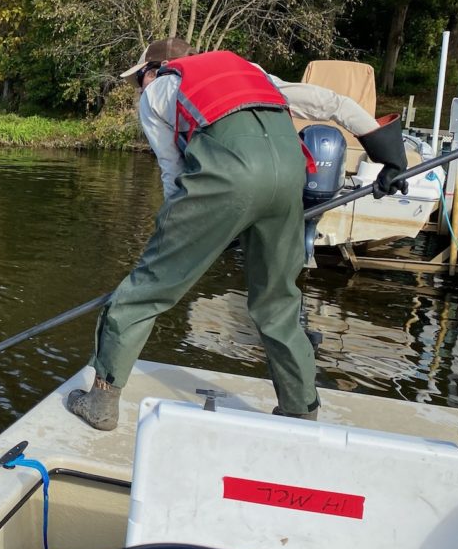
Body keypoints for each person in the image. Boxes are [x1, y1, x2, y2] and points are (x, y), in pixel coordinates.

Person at [67, 38, 409, 430]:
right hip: (289, 176)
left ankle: (101, 402)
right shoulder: (249, 70)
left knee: (145, 291)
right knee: (277, 303)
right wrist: (390, 157)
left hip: (229, 179)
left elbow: (173, 174)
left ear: (152, 70)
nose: (138, 90)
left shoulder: (158, 91)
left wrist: (191, 233)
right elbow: (333, 104)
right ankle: (301, 410)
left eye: (136, 81)